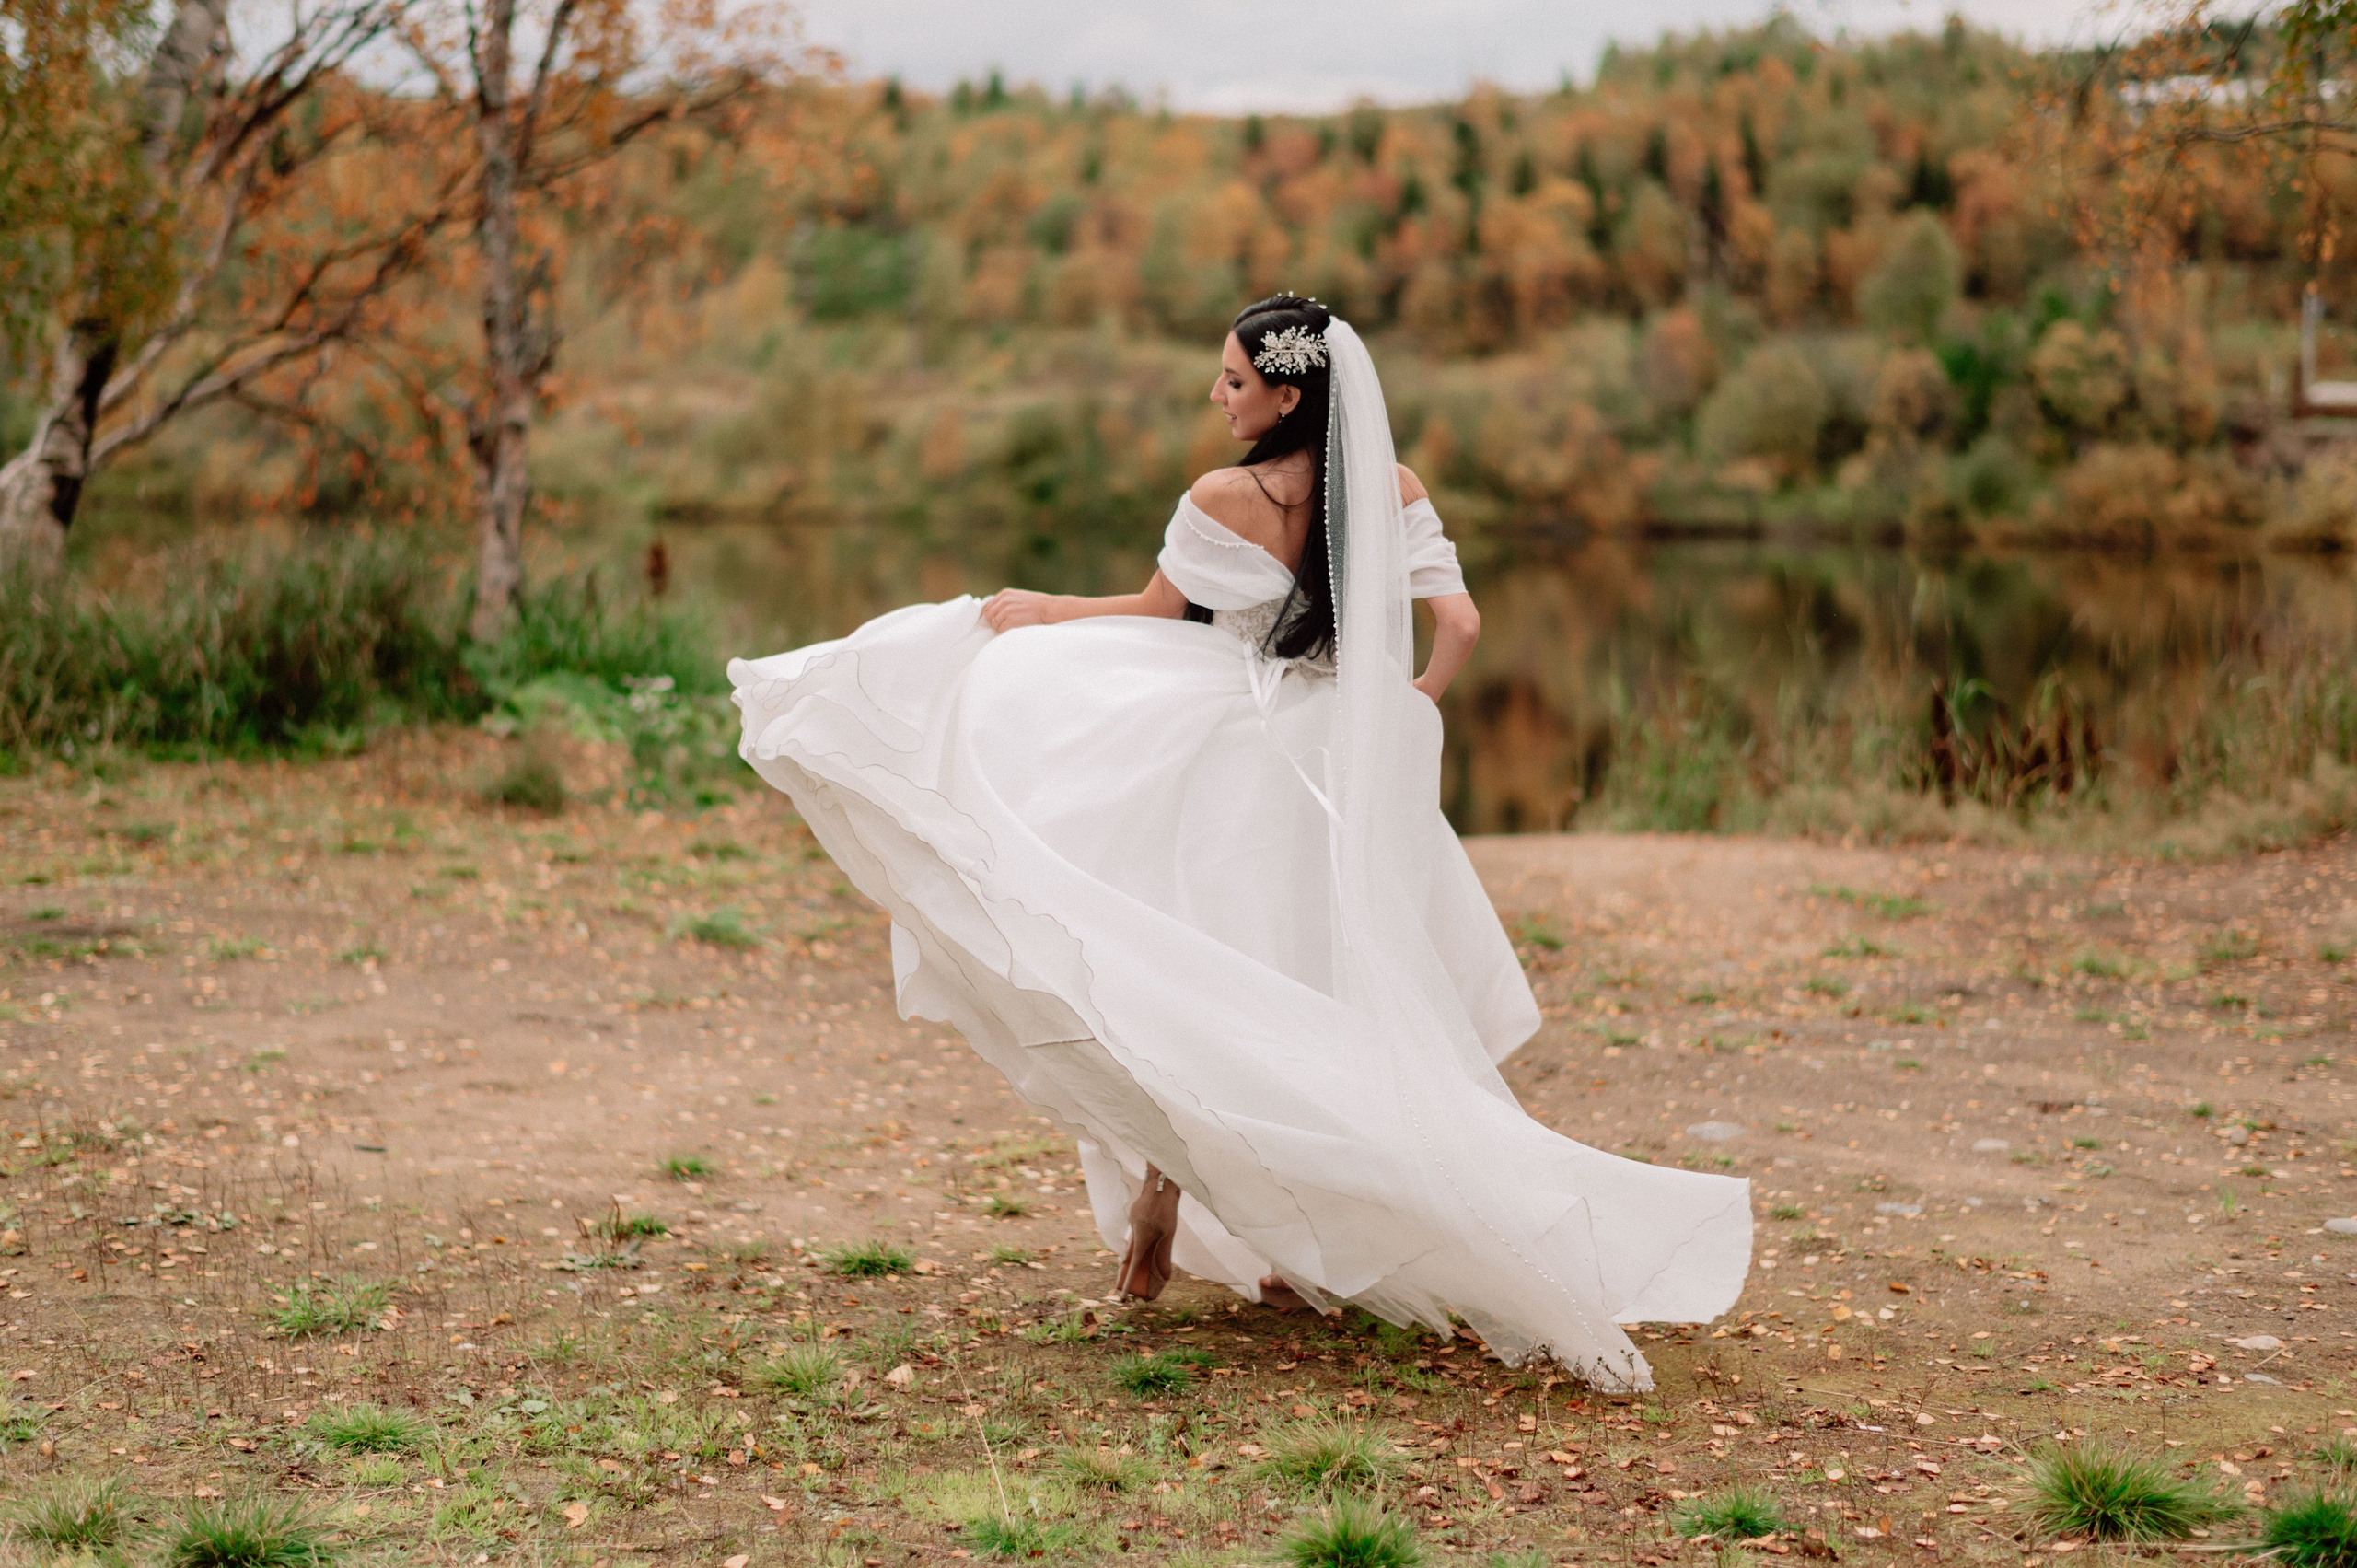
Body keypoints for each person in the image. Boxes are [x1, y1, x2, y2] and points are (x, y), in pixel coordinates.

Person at [729, 296, 1749, 1389]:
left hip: (1234, 743)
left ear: (1287, 394)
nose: (1215, 396)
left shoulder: (1230, 495)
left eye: (1231, 380)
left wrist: (1040, 609)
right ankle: (1275, 1234)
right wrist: (1400, 710)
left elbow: (1157, 612)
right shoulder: (1393, 488)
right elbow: (1460, 626)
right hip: (1335, 758)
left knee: (1180, 966)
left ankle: (1174, 1211)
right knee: (1302, 983)